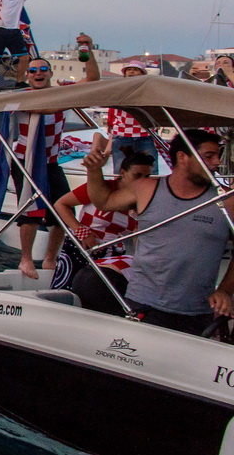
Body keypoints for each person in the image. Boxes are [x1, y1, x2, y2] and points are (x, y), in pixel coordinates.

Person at [76, 129, 234, 334]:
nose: (217, 163)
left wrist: (224, 290)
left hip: (197, 311)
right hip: (143, 304)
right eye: (209, 156)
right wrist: (94, 171)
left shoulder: (227, 201)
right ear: (182, 157)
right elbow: (104, 201)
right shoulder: (146, 188)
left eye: (218, 156)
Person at [11, 38, 100, 278]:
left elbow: (93, 80)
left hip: (51, 162)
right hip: (26, 161)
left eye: (42, 70)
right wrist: (67, 99)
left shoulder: (59, 94)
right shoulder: (23, 96)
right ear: (28, 76)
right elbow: (46, 109)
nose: (38, 73)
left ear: (50, 73)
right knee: (31, 212)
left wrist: (88, 51)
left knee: (63, 209)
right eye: (33, 71)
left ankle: (50, 258)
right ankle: (26, 259)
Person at [51, 147, 154, 292]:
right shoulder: (100, 188)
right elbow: (61, 204)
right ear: (123, 173)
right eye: (137, 176)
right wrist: (82, 232)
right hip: (82, 247)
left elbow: (139, 234)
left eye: (147, 177)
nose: (143, 182)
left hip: (113, 254)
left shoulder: (142, 200)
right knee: (68, 290)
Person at [105, 59, 159, 175]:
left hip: (144, 134)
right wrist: (110, 124)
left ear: (142, 74)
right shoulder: (118, 89)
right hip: (122, 135)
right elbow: (112, 109)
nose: (131, 72)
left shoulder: (149, 90)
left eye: (135, 70)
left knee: (151, 169)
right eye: (129, 70)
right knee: (120, 170)